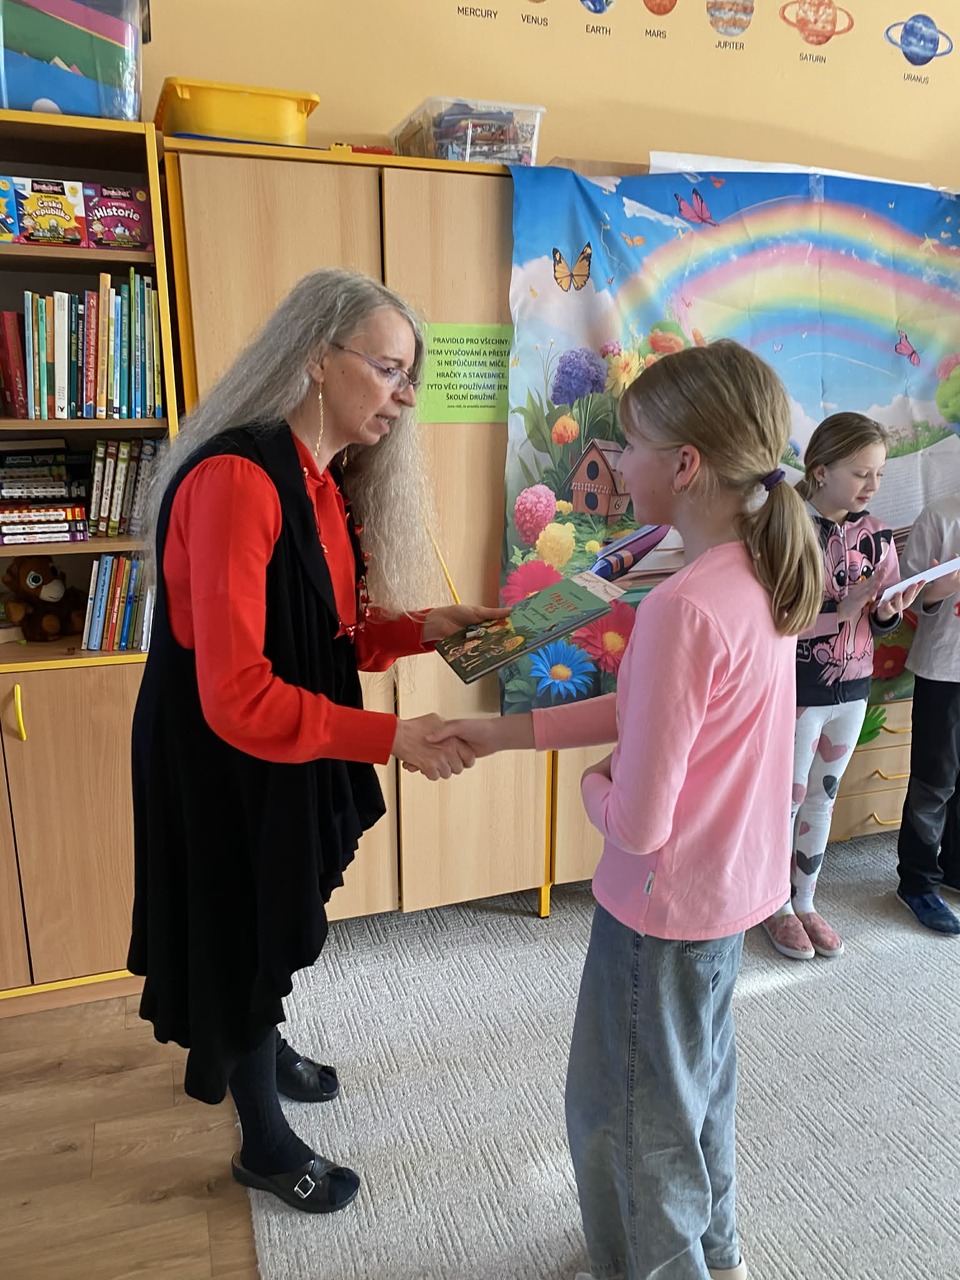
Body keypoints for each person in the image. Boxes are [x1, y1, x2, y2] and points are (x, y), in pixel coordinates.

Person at [425, 340, 823, 1280]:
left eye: (632, 444)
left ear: (684, 466)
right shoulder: (753, 572)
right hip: (727, 892)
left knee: (625, 1117)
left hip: (660, 907)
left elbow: (640, 823)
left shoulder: (685, 605)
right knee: (693, 1089)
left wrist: (592, 787)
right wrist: (501, 735)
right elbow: (650, 706)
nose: (618, 461)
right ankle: (714, 1249)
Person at [127, 268, 503, 1215]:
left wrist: (427, 627)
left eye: (410, 376)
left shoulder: (323, 483)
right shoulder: (235, 482)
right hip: (221, 757)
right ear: (314, 359)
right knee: (241, 929)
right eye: (388, 369)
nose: (405, 397)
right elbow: (237, 696)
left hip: (280, 739)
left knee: (269, 916)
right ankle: (262, 1145)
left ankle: (263, 1041)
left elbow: (329, 637)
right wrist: (392, 736)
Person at [761, 414, 920, 962]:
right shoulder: (786, 526)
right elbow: (772, 617)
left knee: (821, 800)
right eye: (860, 473)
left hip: (853, 690)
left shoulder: (877, 533)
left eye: (879, 473)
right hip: (796, 689)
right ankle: (775, 905)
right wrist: (839, 611)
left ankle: (804, 900)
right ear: (821, 470)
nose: (872, 486)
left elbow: (879, 619)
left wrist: (887, 612)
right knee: (785, 801)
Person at [895, 491, 960, 934]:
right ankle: (917, 880)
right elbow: (906, 594)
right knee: (934, 781)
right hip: (943, 671)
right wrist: (939, 589)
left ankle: (955, 867)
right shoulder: (940, 516)